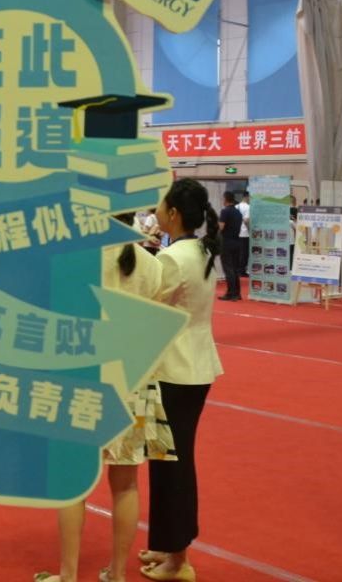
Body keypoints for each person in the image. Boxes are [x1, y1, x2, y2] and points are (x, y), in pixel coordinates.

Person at [38, 218, 174, 582]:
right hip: (134, 381)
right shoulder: (150, 263)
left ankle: (68, 575)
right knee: (127, 483)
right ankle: (117, 573)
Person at [138, 179, 224, 582]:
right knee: (169, 462)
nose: (155, 211)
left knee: (170, 467)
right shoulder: (199, 250)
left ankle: (178, 560)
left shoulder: (173, 258)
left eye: (160, 205)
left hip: (173, 370)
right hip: (194, 366)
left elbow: (148, 305)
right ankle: (168, 545)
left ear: (172, 214)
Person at [218, 191, 243, 301]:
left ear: (225, 199)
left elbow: (221, 227)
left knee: (228, 269)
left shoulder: (225, 211)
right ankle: (237, 293)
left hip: (226, 242)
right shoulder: (238, 212)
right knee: (235, 268)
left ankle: (231, 293)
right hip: (237, 242)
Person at [236, 190, 251, 277]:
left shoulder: (236, 206)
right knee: (245, 253)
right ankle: (242, 271)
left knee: (238, 252)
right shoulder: (248, 207)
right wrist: (250, 230)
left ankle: (238, 270)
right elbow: (246, 221)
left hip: (237, 233)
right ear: (247, 197)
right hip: (245, 233)